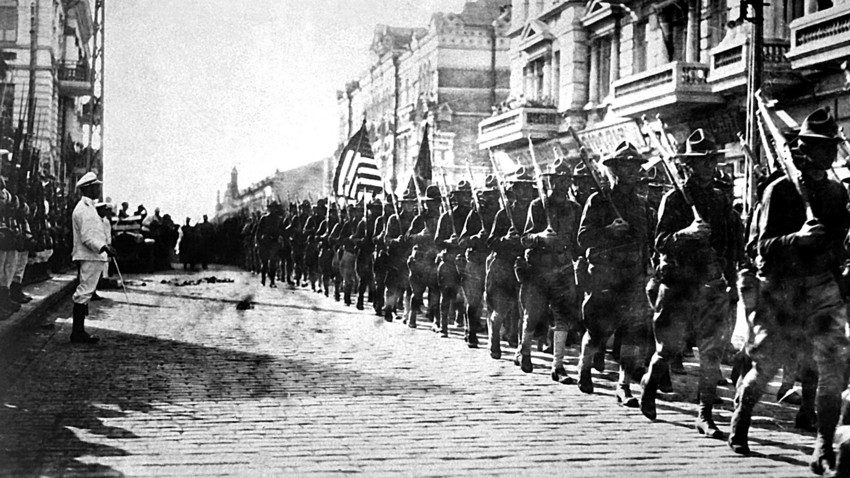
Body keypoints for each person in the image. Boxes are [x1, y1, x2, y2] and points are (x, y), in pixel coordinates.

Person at [728, 108, 850, 476]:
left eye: (832, 146)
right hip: (782, 290)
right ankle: (741, 417)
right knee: (766, 366)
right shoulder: (778, 191)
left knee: (832, 371)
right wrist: (796, 239)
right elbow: (758, 246)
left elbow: (840, 244)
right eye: (821, 147)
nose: (828, 154)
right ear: (804, 149)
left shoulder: (835, 191)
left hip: (823, 289)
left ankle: (824, 444)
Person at [640, 129, 738, 439]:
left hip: (710, 286)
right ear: (689, 165)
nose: (708, 165)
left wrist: (731, 279)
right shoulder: (675, 198)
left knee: (710, 354)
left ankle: (704, 414)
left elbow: (729, 245)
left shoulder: (721, 200)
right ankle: (649, 384)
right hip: (679, 285)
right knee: (667, 350)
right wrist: (687, 234)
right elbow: (660, 242)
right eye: (701, 161)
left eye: (711, 159)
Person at [576, 142, 654, 406]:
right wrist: (609, 231)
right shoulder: (598, 200)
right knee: (598, 332)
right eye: (626, 166)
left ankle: (624, 386)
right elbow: (583, 237)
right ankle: (584, 367)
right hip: (605, 275)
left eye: (635, 166)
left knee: (632, 333)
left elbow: (648, 239)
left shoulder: (642, 204)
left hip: (633, 276)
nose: (632, 171)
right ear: (615, 169)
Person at [515, 158, 581, 381]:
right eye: (558, 179)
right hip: (540, 269)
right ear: (550, 181)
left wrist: (580, 258)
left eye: (567, 179)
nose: (563, 183)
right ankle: (524, 350)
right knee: (533, 315)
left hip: (563, 268)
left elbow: (577, 241)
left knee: (563, 317)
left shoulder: (575, 208)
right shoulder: (538, 206)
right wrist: (540, 236)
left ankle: (558, 366)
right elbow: (525, 238)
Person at [70, 172, 114, 344]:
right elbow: (87, 237)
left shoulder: (89, 208)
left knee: (86, 292)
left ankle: (79, 331)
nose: (98, 189)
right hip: (90, 255)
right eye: (96, 186)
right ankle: (77, 332)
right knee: (84, 292)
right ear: (88, 188)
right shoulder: (83, 210)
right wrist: (103, 247)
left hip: (93, 256)